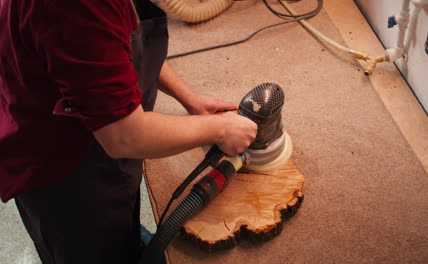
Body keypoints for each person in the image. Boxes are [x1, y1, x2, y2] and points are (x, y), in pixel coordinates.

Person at [0, 0, 257, 263]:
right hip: (62, 171)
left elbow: (117, 46)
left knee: (122, 236)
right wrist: (220, 129)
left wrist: (189, 98)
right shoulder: (80, 7)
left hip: (97, 143)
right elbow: (125, 135)